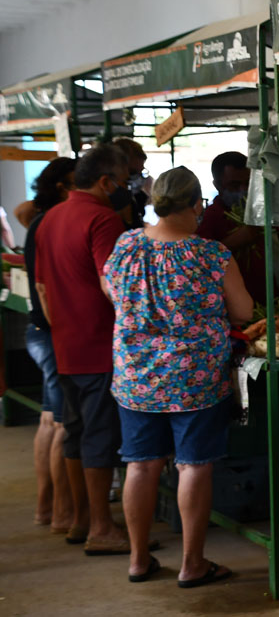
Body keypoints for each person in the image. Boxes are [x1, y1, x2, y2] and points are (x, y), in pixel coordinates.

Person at [104, 166, 252, 585]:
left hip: (137, 376)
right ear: (194, 205)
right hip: (195, 378)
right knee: (193, 467)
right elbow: (242, 312)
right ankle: (192, 564)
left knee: (140, 466)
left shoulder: (128, 245)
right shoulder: (209, 254)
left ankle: (137, 559)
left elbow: (111, 289)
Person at [34, 143, 133, 554]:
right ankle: (102, 528)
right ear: (106, 181)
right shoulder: (101, 218)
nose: (126, 189)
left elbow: (41, 288)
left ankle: (80, 520)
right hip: (98, 343)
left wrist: (62, 328)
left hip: (65, 343)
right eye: (124, 182)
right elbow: (112, 285)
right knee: (99, 435)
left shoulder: (49, 219)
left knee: (75, 431)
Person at [23, 157, 76, 532]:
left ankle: (46, 507)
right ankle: (62, 513)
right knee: (62, 425)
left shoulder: (39, 220)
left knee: (48, 419)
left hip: (40, 333)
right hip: (53, 334)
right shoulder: (51, 222)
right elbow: (44, 287)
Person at [197, 151, 270, 304]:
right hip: (232, 303)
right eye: (234, 185)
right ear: (217, 185)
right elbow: (201, 262)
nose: (243, 190)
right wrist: (231, 243)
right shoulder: (211, 217)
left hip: (268, 298)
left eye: (247, 184)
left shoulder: (262, 212)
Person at [112, 137, 151, 228]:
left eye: (141, 173)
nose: (138, 178)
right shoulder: (109, 205)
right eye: (132, 173)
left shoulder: (140, 197)